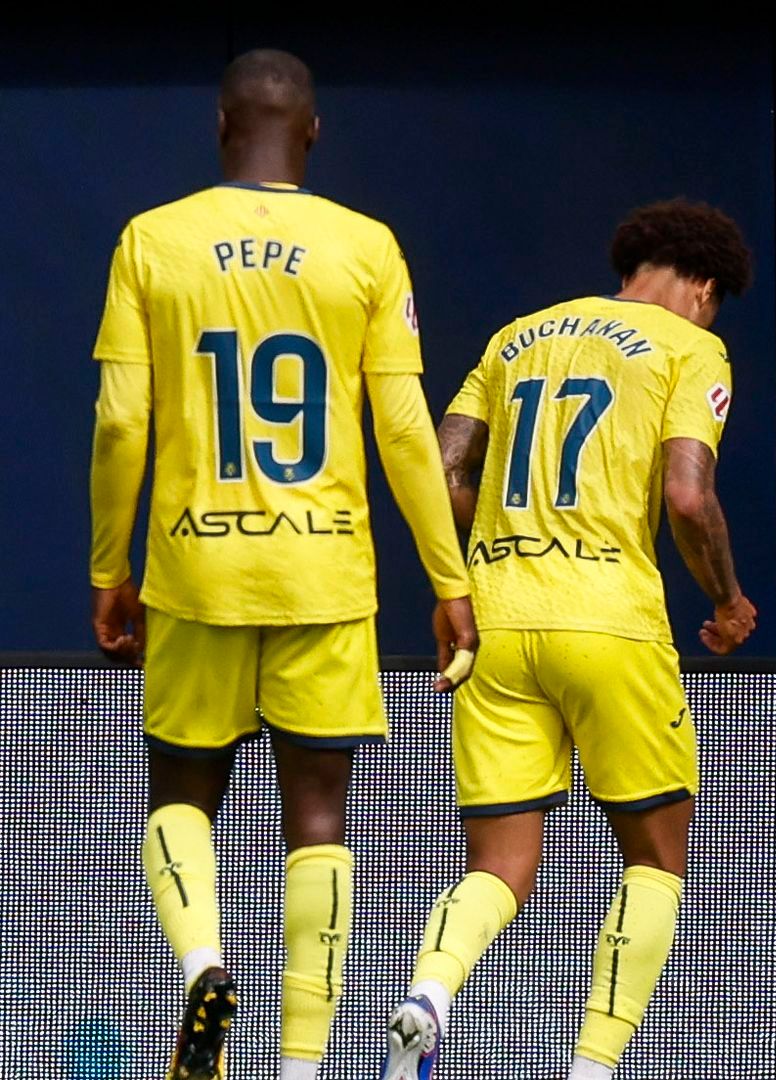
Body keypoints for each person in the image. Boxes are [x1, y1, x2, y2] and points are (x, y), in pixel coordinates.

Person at [87, 48, 476, 1080]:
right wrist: (449, 581)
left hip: (193, 571)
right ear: (312, 134)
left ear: (222, 126)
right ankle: (304, 1064)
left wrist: (106, 568)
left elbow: (123, 419)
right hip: (325, 576)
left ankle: (203, 967)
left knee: (180, 800)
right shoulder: (365, 247)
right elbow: (402, 427)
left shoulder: (153, 241)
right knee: (318, 820)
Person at [382, 200, 758, 1080]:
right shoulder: (691, 347)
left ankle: (427, 997)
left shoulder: (518, 337)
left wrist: (481, 559)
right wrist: (728, 599)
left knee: (499, 865)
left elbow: (439, 471)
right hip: (611, 621)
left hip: (497, 621)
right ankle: (592, 1064)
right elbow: (687, 496)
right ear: (704, 286)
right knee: (657, 860)